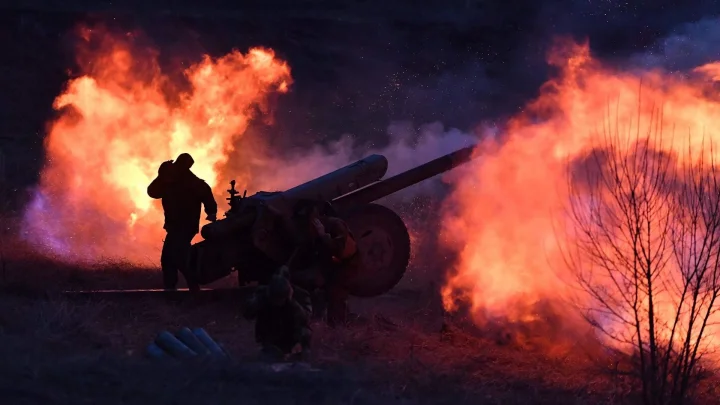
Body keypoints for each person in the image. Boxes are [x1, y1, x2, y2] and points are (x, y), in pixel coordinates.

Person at [147, 153, 218, 291]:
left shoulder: (189, 181)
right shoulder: (172, 180)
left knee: (172, 258)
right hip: (178, 227)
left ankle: (178, 289)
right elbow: (153, 192)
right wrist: (161, 176)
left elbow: (206, 194)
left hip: (184, 227)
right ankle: (182, 289)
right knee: (174, 258)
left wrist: (211, 212)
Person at [291, 200, 361, 327]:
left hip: (346, 266)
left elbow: (340, 250)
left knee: (335, 297)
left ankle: (340, 324)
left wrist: (324, 236)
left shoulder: (335, 225)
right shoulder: (308, 231)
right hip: (328, 264)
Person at [243, 266, 313, 361]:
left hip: (293, 340)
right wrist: (261, 299)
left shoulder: (301, 295)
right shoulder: (263, 294)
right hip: (270, 339)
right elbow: (247, 313)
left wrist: (292, 302)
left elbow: (305, 320)